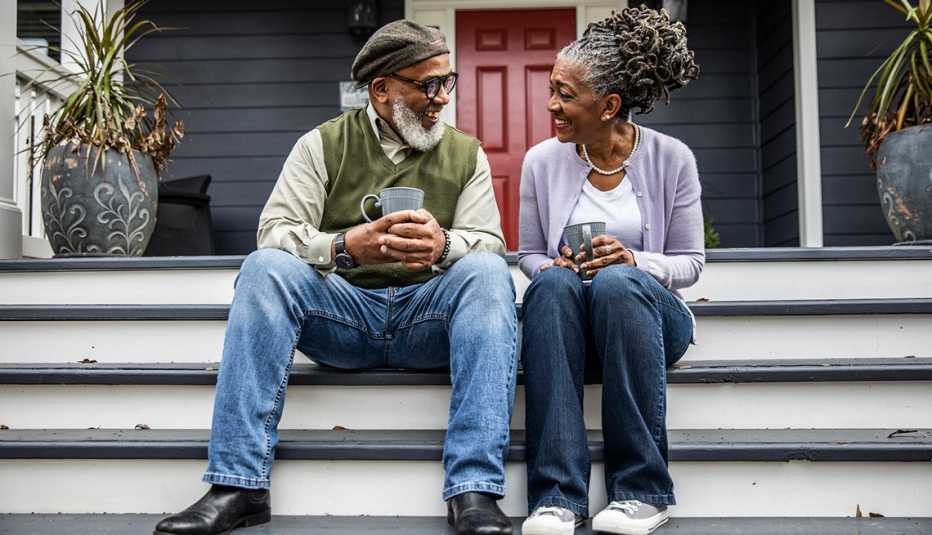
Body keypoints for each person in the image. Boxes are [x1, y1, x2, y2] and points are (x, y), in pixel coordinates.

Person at [154, 20, 517, 535]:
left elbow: (489, 241)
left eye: (446, 82)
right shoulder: (321, 145)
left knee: (485, 269)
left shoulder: (466, 153)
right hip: (343, 318)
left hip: (427, 320)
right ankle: (239, 485)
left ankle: (474, 490)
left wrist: (446, 245)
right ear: (382, 89)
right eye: (426, 85)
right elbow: (274, 231)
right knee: (265, 268)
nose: (440, 99)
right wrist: (344, 246)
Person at [516, 7, 702, 535]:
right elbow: (528, 253)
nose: (551, 104)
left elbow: (692, 263)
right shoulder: (540, 162)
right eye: (552, 89)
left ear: (609, 104)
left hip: (648, 319)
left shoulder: (672, 158)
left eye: (565, 94)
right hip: (573, 318)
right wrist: (553, 264)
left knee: (620, 282)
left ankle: (642, 491)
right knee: (550, 283)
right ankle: (557, 498)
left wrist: (634, 260)